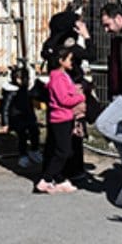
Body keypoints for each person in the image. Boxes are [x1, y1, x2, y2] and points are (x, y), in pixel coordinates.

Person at [37, 46, 85, 194]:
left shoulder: (64, 75)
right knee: (62, 151)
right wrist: (81, 97)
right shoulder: (57, 77)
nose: (72, 62)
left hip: (66, 117)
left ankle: (59, 179)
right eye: (69, 59)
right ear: (61, 60)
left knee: (65, 150)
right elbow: (64, 99)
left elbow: (69, 92)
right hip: (60, 119)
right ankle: (46, 179)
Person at [70, 0, 122, 65]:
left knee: (108, 57)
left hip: (108, 32)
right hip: (91, 30)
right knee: (93, 56)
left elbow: (120, 9)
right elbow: (76, 4)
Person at [0, 65, 42, 168]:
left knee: (35, 131)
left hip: (29, 115)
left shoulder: (27, 89)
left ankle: (34, 150)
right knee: (22, 135)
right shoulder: (11, 91)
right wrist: (5, 123)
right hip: (17, 117)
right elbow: (5, 108)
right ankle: (23, 155)